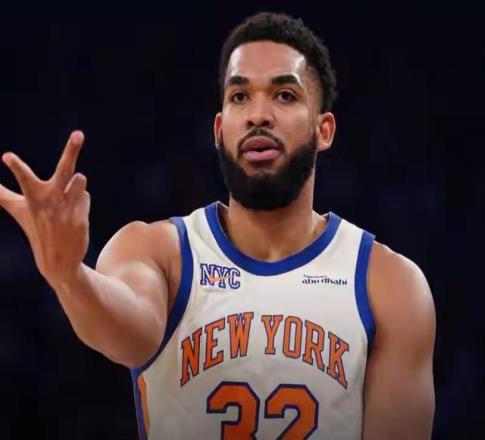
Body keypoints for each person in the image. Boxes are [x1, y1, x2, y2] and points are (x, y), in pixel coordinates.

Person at [0, 12, 435, 440]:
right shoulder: (159, 252)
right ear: (219, 128)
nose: (258, 114)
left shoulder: (389, 285)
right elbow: (130, 336)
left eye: (285, 96)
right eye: (239, 96)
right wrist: (69, 276)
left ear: (323, 130)